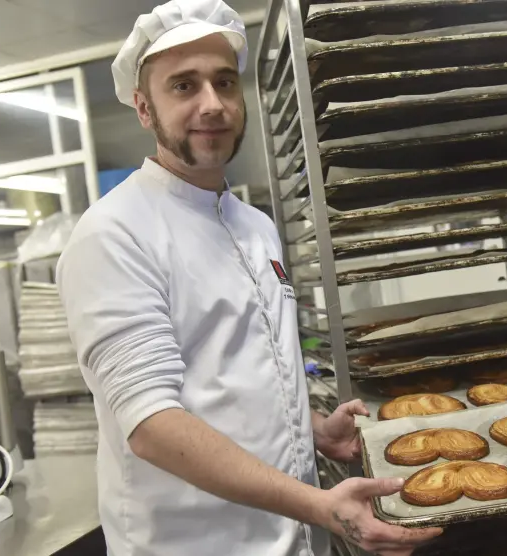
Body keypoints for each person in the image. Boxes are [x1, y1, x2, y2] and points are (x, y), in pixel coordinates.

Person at [56, 2, 441, 555]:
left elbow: (238, 372)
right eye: (183, 86)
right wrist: (322, 507)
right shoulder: (114, 234)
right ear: (144, 108)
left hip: (292, 539)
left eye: (224, 82)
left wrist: (313, 427)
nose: (211, 105)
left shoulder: (253, 225)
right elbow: (151, 426)